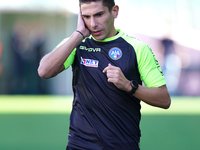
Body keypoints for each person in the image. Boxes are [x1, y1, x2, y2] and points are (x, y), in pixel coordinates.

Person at [38, 0, 171, 149]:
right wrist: (78, 34)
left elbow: (164, 100)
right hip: (80, 144)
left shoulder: (137, 48)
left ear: (114, 11)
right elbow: (44, 71)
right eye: (86, 17)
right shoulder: (77, 44)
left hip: (122, 145)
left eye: (99, 15)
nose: (93, 23)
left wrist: (128, 86)